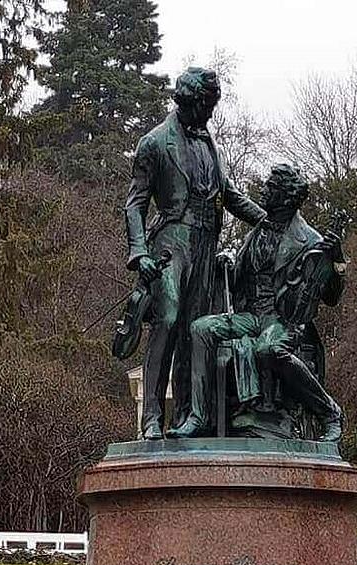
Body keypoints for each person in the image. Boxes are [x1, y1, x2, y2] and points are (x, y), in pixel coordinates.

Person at [124, 66, 266, 439]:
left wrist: (267, 221)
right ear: (190, 101)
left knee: (195, 332)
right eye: (208, 105)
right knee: (167, 322)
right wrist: (139, 252)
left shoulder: (207, 142)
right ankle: (152, 416)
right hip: (170, 245)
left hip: (206, 246)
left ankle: (188, 416)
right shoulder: (154, 143)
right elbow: (135, 204)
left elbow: (228, 194)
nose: (211, 112)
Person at [167, 163, 346, 442]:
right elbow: (242, 273)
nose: (263, 192)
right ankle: (199, 417)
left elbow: (332, 297)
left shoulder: (310, 239)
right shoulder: (257, 230)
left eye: (270, 189)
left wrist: (337, 261)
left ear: (286, 197)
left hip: (282, 319)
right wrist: (226, 262)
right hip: (250, 314)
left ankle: (329, 411)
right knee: (201, 328)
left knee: (269, 349)